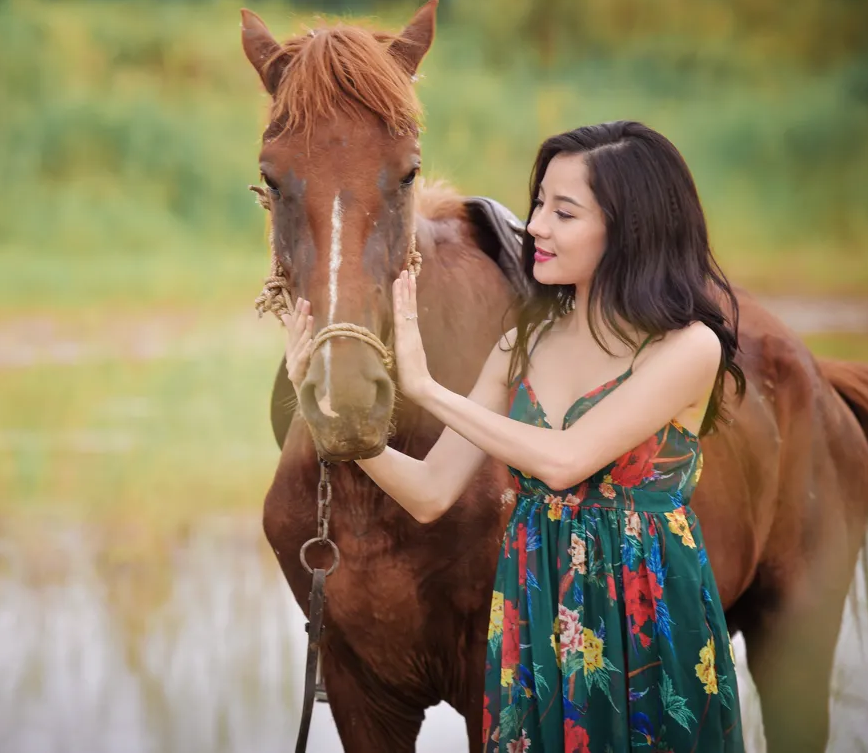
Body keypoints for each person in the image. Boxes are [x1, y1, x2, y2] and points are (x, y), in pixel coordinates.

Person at [280, 121, 747, 752]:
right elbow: (428, 491)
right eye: (538, 204)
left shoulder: (688, 348)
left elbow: (566, 460)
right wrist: (331, 417)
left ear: (630, 229)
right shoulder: (520, 346)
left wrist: (426, 390)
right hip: (537, 609)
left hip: (644, 610)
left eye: (564, 212)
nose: (535, 227)